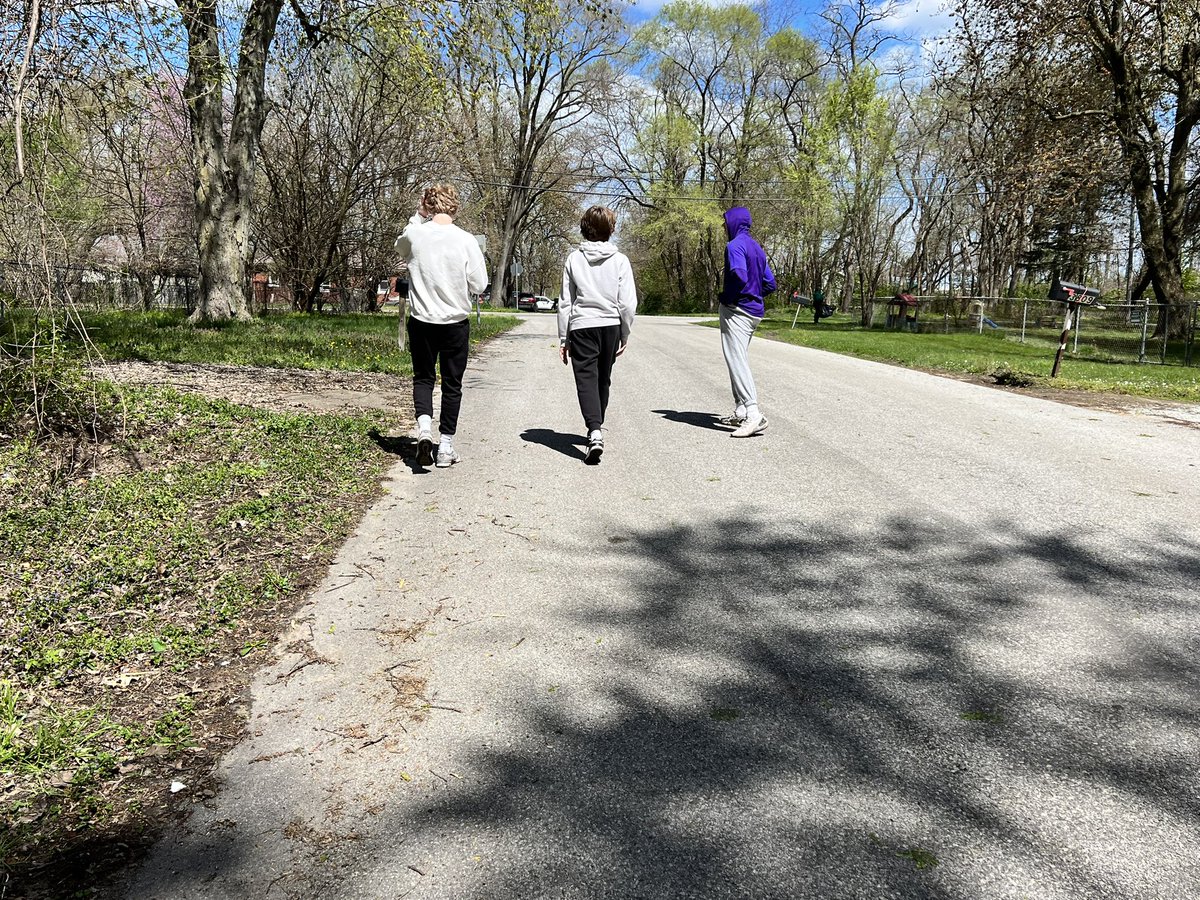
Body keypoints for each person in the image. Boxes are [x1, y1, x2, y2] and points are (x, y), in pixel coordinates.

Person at [394, 183, 488, 468]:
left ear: (428, 205)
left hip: (422, 321)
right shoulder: (466, 240)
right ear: (454, 206)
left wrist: (417, 216)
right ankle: (445, 446)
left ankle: (424, 431)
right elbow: (479, 284)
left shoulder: (416, 235)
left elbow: (401, 248)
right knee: (452, 384)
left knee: (423, 378)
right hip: (454, 323)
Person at [558, 206, 637, 465]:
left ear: (584, 228)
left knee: (586, 381)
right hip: (610, 326)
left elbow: (565, 302)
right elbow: (627, 303)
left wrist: (563, 337)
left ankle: (594, 430)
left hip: (582, 326)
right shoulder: (620, 260)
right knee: (603, 380)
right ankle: (596, 429)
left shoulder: (573, 259)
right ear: (611, 230)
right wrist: (625, 332)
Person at [717, 206, 776, 438]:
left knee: (737, 360)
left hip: (737, 311)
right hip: (755, 313)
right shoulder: (758, 249)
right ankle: (741, 410)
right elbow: (770, 284)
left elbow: (739, 275)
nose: (724, 226)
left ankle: (753, 413)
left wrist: (729, 298)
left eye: (725, 222)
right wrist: (754, 294)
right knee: (737, 357)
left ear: (733, 222)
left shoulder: (734, 246)